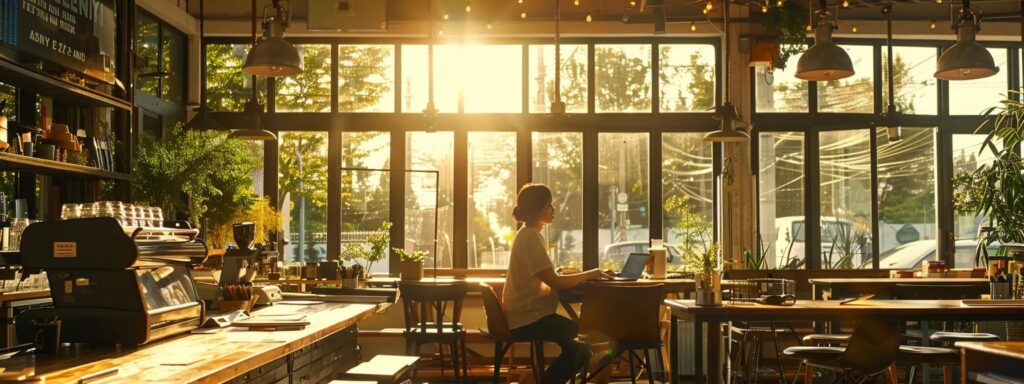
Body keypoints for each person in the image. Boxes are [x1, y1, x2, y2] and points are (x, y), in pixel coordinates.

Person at [502, 183, 611, 384]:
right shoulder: (529, 237)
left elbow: (547, 276)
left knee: (579, 343)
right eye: (549, 206)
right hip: (528, 319)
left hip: (529, 315)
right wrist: (590, 274)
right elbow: (555, 282)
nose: (553, 210)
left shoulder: (530, 234)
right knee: (583, 343)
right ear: (537, 209)